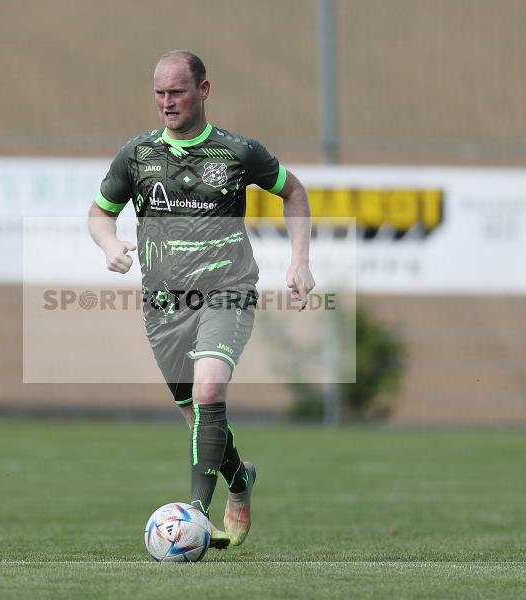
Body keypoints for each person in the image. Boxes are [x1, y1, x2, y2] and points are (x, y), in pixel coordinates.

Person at [88, 50, 314, 549]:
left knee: (209, 391)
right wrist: (109, 244)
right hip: (163, 306)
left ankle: (196, 513)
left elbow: (294, 192)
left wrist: (299, 260)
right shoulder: (137, 155)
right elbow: (100, 213)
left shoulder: (237, 152)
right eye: (159, 93)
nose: (167, 102)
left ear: (203, 91)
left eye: (177, 92)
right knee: (199, 419)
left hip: (227, 291)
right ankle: (240, 479)